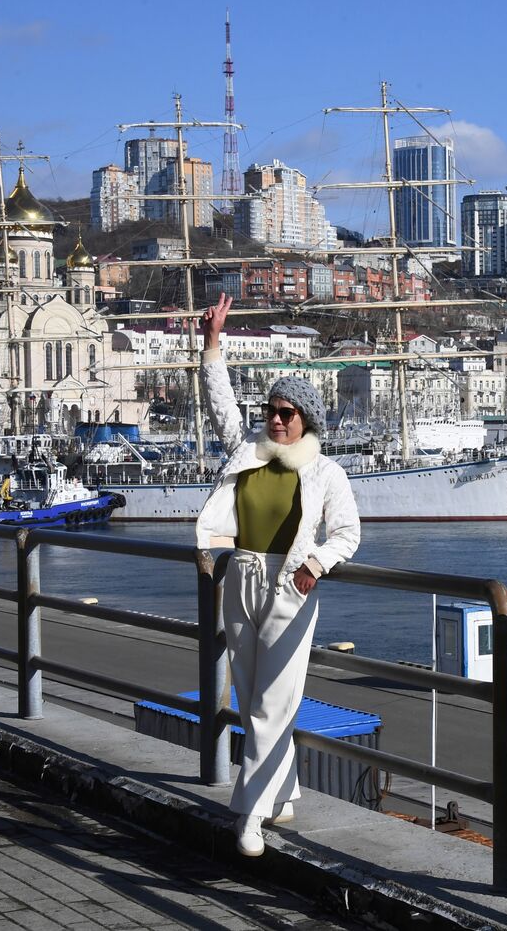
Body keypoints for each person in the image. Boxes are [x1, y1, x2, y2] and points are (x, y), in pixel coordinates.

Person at [194, 294, 361, 856]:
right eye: (272, 409)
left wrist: (315, 565)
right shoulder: (246, 451)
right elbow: (220, 402)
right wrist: (213, 342)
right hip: (240, 577)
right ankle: (283, 791)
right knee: (249, 696)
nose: (276, 419)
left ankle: (250, 814)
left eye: (287, 413)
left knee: (273, 702)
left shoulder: (325, 472)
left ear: (306, 420)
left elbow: (347, 534)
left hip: (291, 586)